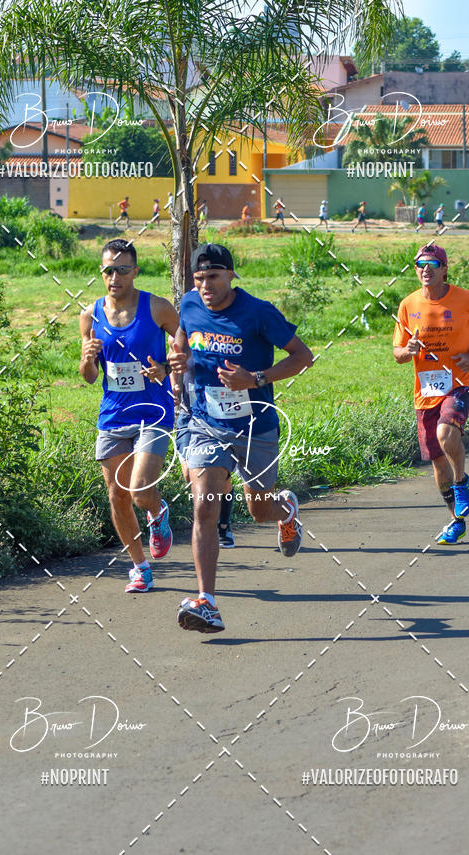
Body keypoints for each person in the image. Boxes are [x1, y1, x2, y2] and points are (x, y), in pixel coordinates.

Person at [168, 243, 314, 632]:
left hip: (255, 425)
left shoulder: (258, 312)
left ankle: (287, 513)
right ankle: (207, 601)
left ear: (232, 276)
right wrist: (176, 369)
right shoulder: (188, 305)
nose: (205, 286)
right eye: (199, 279)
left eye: (213, 277)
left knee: (259, 510)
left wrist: (255, 379)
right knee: (204, 503)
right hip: (204, 422)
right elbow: (181, 346)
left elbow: (303, 356)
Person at [79, 239, 179, 592]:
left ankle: (157, 511)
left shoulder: (157, 308)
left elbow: (188, 344)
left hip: (154, 411)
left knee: (138, 491)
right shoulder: (90, 315)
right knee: (116, 496)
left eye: (122, 269)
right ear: (101, 273)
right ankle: (139, 567)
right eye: (108, 269)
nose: (114, 276)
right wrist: (87, 359)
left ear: (135, 271)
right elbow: (90, 377)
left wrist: (166, 367)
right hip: (113, 414)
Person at [393, 245, 469, 545]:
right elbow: (397, 353)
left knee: (446, 434)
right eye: (419, 264)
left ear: (445, 268)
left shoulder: (465, 299)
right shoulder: (407, 305)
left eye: (433, 263)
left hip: (459, 382)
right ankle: (456, 520)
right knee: (437, 462)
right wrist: (406, 351)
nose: (426, 269)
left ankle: (462, 482)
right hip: (426, 391)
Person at [170, 336, 235, 548]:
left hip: (216, 416)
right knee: (190, 474)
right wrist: (175, 387)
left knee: (220, 476)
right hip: (189, 416)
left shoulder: (216, 337)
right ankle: (209, 522)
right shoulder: (178, 337)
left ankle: (222, 527)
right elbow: (175, 366)